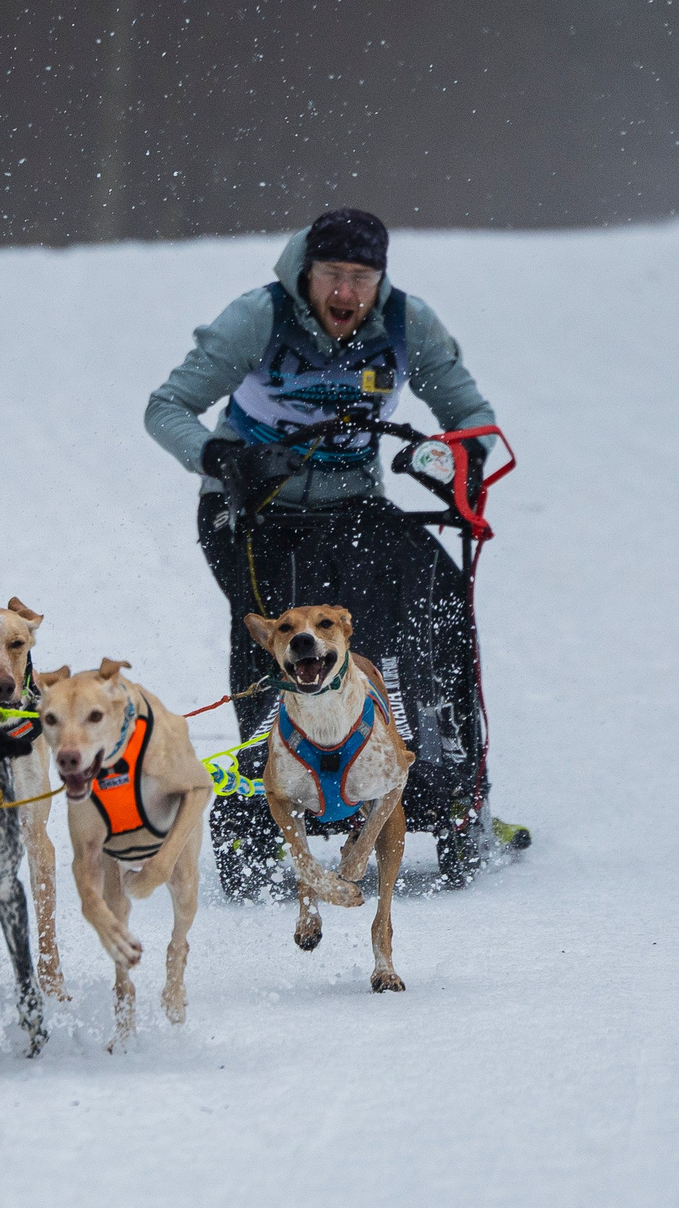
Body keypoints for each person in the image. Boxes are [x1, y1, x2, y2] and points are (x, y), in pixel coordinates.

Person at [145, 207, 505, 890]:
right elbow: (165, 408)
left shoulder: (406, 323)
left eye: (361, 278)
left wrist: (459, 458)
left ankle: (445, 774)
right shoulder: (258, 318)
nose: (346, 293)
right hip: (252, 512)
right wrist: (221, 457)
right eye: (333, 276)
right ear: (305, 273)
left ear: (381, 280)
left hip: (352, 505)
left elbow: (471, 415)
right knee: (285, 636)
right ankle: (269, 788)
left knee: (435, 589)